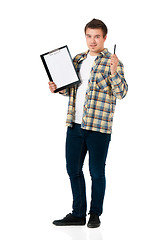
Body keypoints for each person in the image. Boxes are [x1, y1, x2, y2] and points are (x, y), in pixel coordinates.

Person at [48, 19, 128, 228]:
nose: (92, 41)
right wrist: (57, 87)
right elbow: (70, 90)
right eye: (89, 36)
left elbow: (121, 93)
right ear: (85, 36)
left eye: (97, 36)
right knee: (72, 168)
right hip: (74, 125)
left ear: (104, 38)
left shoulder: (113, 61)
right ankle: (78, 214)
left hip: (99, 128)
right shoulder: (78, 59)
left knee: (96, 172)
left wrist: (113, 71)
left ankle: (95, 214)